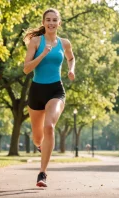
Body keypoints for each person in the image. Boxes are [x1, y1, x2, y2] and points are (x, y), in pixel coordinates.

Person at [23, 8, 75, 187]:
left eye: (55, 20)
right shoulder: (36, 42)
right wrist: (43, 54)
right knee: (38, 138)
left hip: (56, 90)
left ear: (59, 23)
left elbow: (71, 58)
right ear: (44, 22)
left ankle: (42, 174)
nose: (51, 23)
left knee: (49, 127)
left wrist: (71, 69)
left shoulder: (65, 43)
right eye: (48, 20)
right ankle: (40, 146)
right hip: (37, 91)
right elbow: (26, 68)